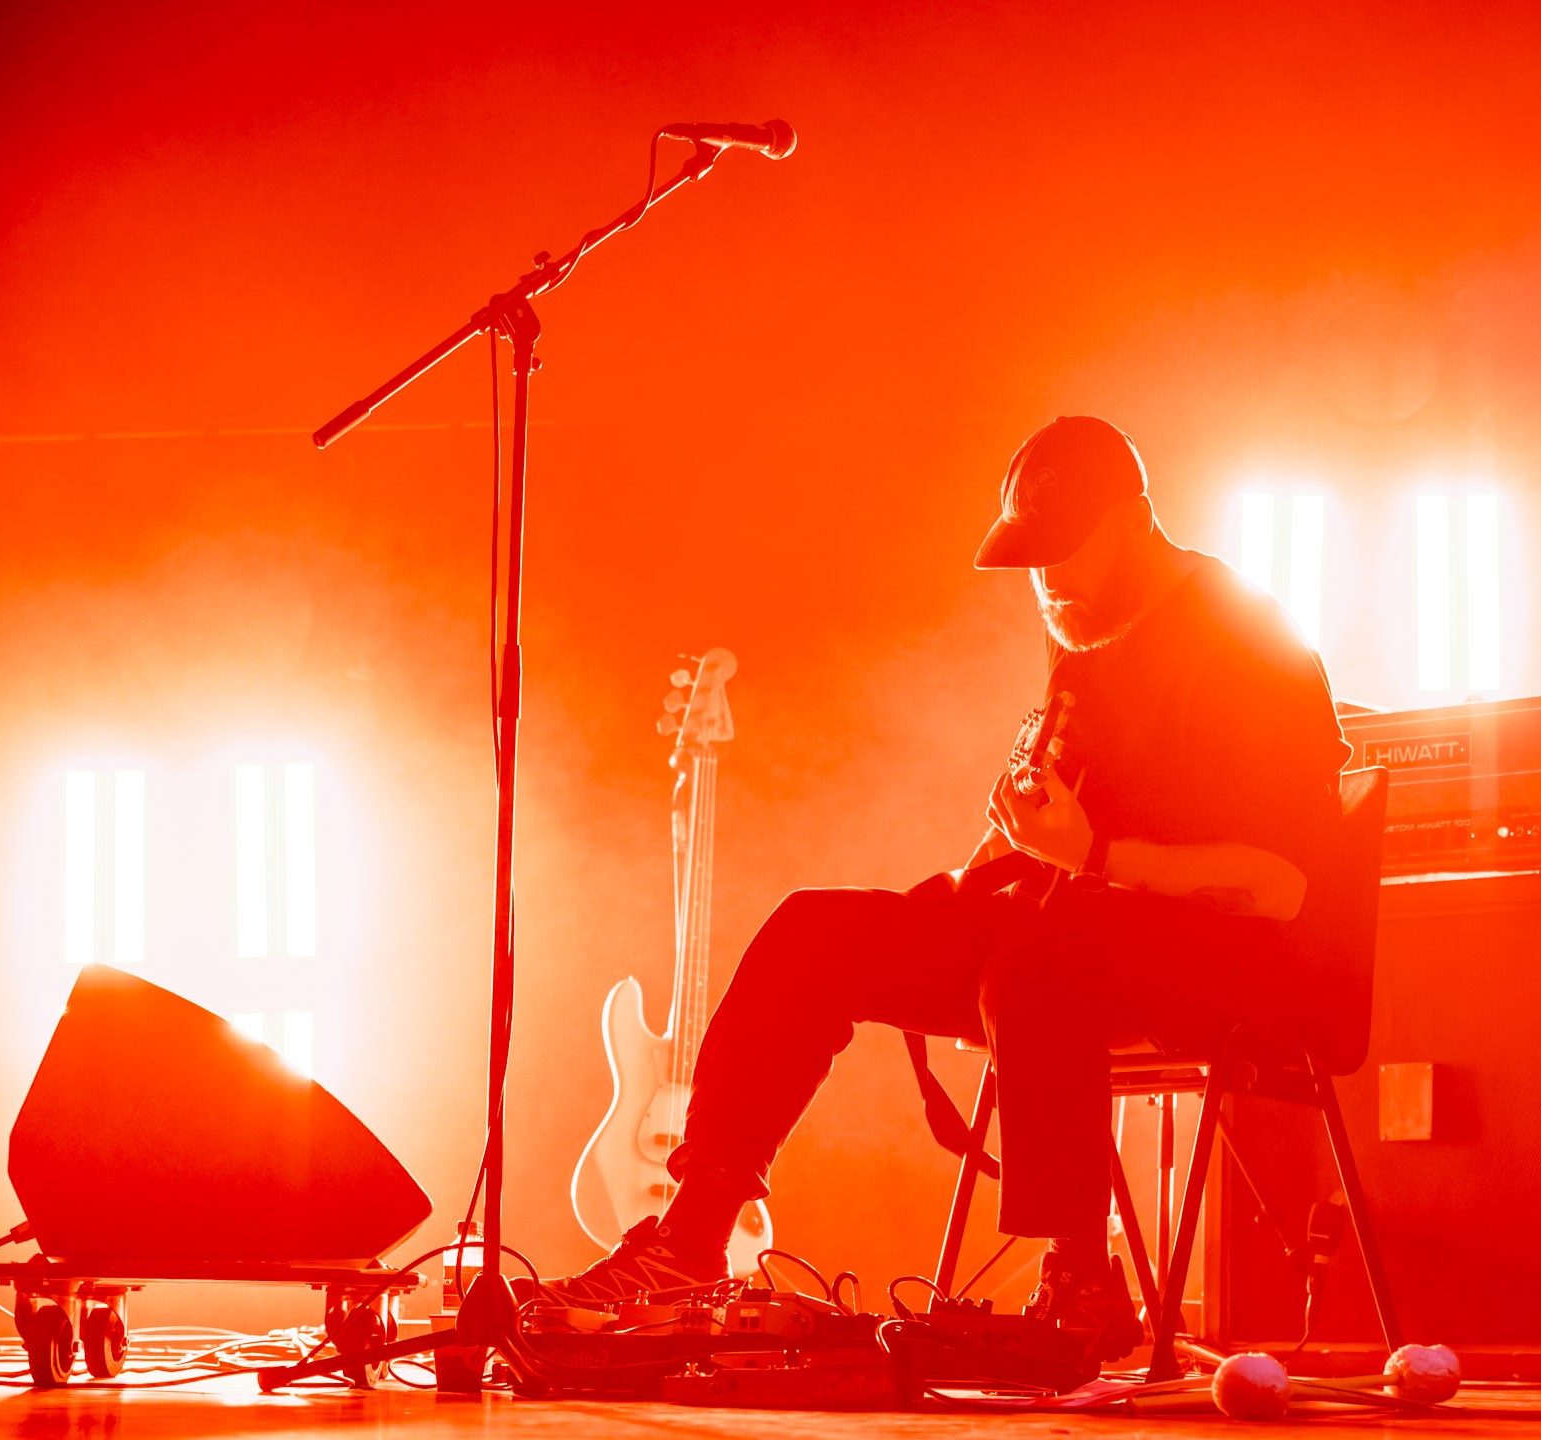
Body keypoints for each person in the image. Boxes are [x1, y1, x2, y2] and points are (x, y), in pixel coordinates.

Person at [547, 416, 1350, 1362]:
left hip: (1225, 958)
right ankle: (689, 1241)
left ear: (1136, 520)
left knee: (1039, 970)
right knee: (817, 933)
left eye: (1064, 552)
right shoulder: (1088, 632)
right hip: (1070, 930)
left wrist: (1095, 855)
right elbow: (1061, 816)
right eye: (1031, 561)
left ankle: (1082, 1281)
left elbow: (1284, 887)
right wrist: (990, 863)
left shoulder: (1250, 643)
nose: (1046, 581)